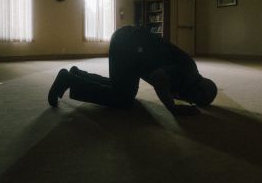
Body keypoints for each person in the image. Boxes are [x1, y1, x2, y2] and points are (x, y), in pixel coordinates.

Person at [47, 26, 217, 116]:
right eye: (197, 99)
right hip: (128, 44)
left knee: (122, 89)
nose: (191, 101)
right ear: (200, 87)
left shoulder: (189, 77)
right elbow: (159, 78)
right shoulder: (188, 74)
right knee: (123, 99)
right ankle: (68, 80)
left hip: (130, 45)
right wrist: (173, 109)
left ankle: (77, 74)